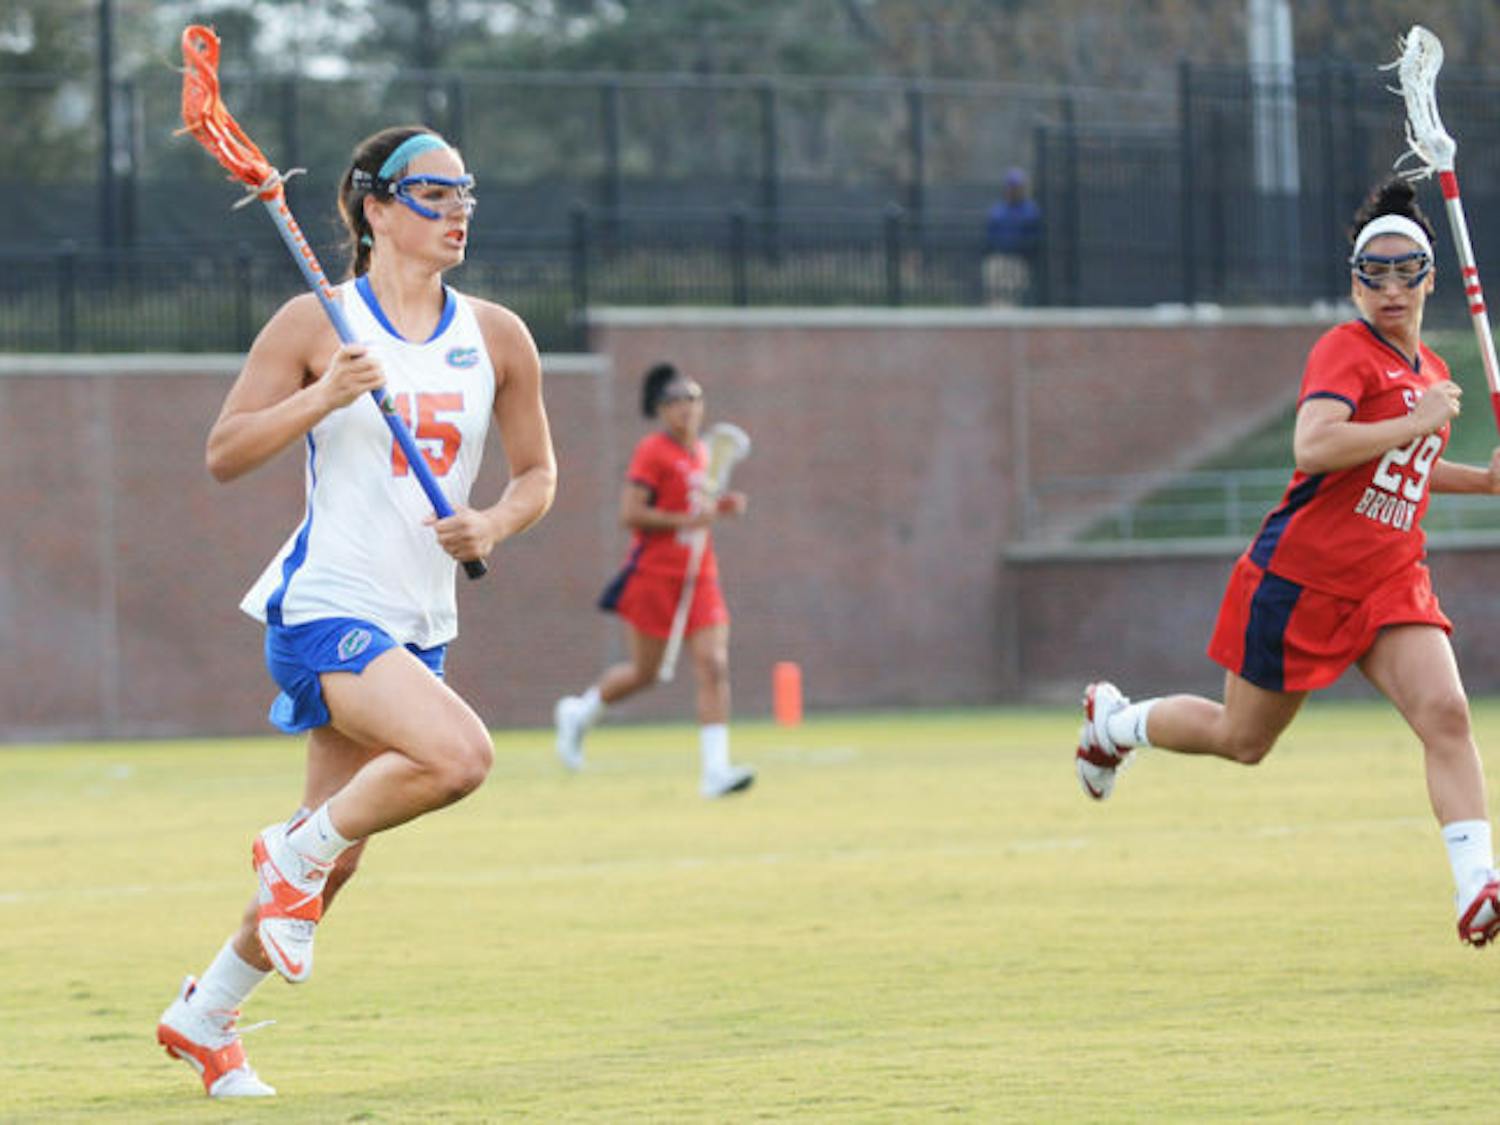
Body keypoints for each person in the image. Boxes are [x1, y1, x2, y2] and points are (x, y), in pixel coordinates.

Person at [156, 125, 557, 1097]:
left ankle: (204, 1017)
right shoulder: (317, 322)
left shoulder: (497, 335)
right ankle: (290, 847)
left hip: (421, 622)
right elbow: (226, 451)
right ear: (375, 209)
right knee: (459, 759)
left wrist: (493, 524)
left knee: (330, 874)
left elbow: (539, 473)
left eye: (466, 189)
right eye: (434, 192)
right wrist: (327, 392)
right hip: (326, 604)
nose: (459, 207)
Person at [1075, 178, 1500, 949]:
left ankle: (1477, 886)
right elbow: (1316, 446)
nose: (1394, 288)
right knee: (1244, 739)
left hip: (1389, 579)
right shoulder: (1344, 350)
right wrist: (1417, 419)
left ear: (1432, 278)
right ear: (1355, 282)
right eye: (1377, 273)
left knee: (1446, 713)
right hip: (1300, 581)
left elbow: (1400, 465)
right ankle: (1116, 722)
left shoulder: (1432, 372)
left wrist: (1480, 477)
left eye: (1409, 271)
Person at [553, 362, 754, 798]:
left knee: (714, 665)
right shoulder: (653, 452)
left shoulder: (703, 455)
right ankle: (580, 713)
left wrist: (720, 510)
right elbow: (632, 514)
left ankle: (715, 772)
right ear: (660, 410)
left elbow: (698, 514)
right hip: (654, 575)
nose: (685, 407)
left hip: (700, 576)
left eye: (692, 398)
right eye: (674, 401)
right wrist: (690, 517)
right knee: (647, 673)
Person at [983, 167, 1042, 305]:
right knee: (994, 293)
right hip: (999, 258)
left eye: (1017, 186)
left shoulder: (1030, 210)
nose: (1014, 190)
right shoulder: (998, 209)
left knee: (1013, 296)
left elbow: (1033, 234)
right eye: (1011, 186)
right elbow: (990, 233)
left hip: (1019, 260)